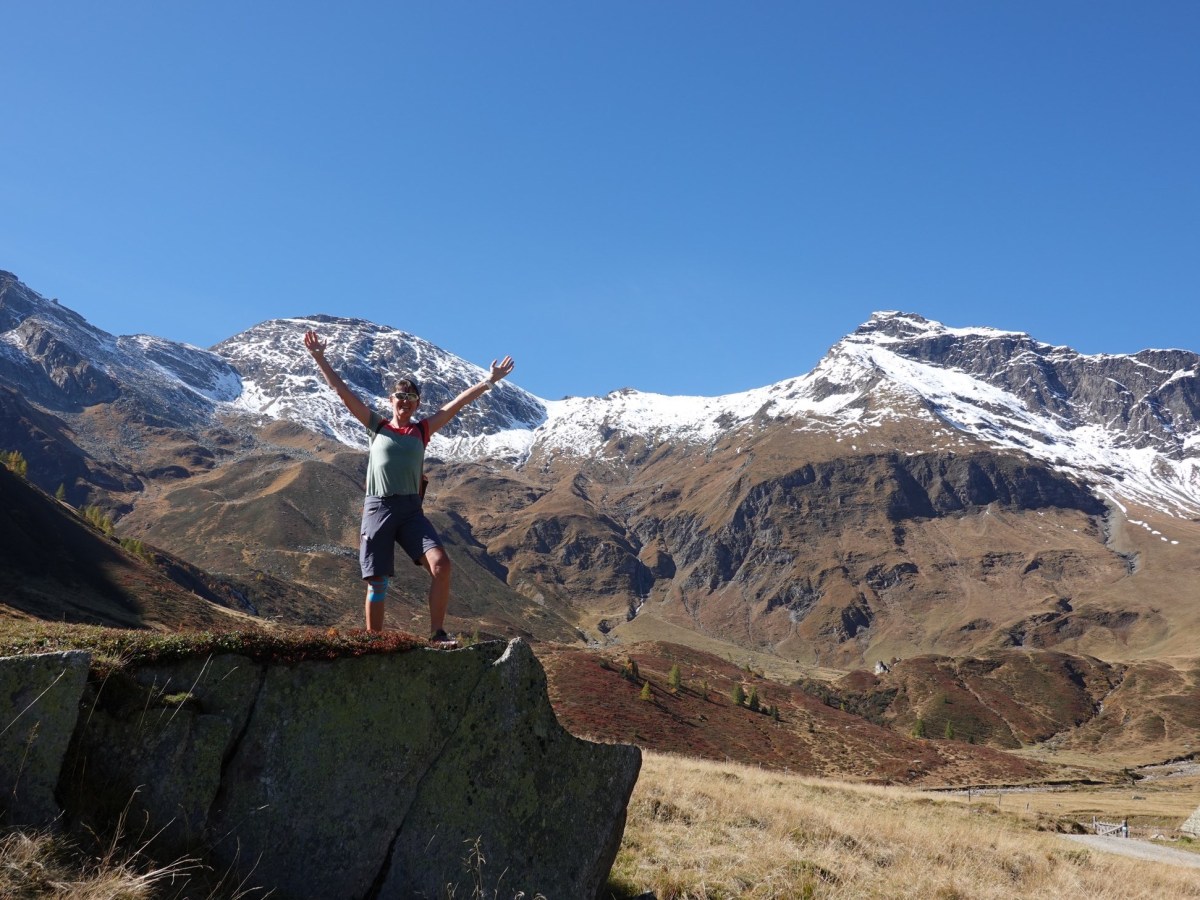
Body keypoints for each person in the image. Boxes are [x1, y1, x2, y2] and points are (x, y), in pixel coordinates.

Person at [303, 328, 514, 646]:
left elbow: (456, 404)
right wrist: (319, 357)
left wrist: (489, 381)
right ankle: (374, 643)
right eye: (400, 396)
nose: (405, 401)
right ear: (391, 400)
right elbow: (342, 392)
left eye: (411, 398)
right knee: (377, 582)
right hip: (378, 507)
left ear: (417, 404)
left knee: (441, 565)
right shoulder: (377, 426)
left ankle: (437, 633)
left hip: (411, 511)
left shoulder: (423, 430)